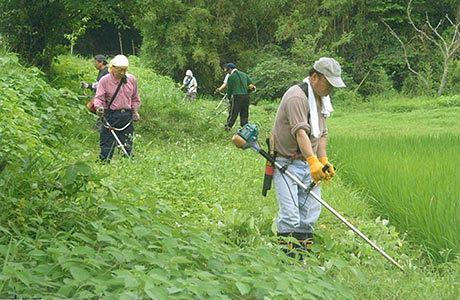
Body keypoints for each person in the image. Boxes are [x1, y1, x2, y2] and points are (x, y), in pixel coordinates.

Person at [271, 57, 345, 260]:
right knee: (290, 217)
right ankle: (286, 262)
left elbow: (321, 134)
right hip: (286, 163)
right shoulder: (297, 97)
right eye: (328, 83)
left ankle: (301, 260)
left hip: (307, 164)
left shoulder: (322, 99)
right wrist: (313, 162)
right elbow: (301, 133)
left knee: (309, 216)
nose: (331, 88)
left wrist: (323, 161)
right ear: (314, 77)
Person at [93, 54, 141, 162]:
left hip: (127, 116)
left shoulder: (131, 79)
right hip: (110, 115)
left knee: (127, 143)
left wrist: (135, 112)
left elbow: (135, 98)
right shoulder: (104, 81)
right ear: (113, 68)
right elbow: (99, 98)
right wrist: (99, 108)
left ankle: (125, 165)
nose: (123, 73)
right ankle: (104, 164)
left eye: (125, 70)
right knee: (107, 144)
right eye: (120, 70)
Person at [224, 63, 254, 131]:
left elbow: (229, 90)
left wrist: (228, 98)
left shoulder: (231, 77)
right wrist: (248, 92)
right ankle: (244, 127)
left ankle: (229, 126)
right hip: (246, 96)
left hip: (237, 96)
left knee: (234, 112)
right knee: (244, 112)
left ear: (230, 69)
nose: (227, 72)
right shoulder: (244, 74)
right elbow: (251, 85)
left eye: (227, 71)